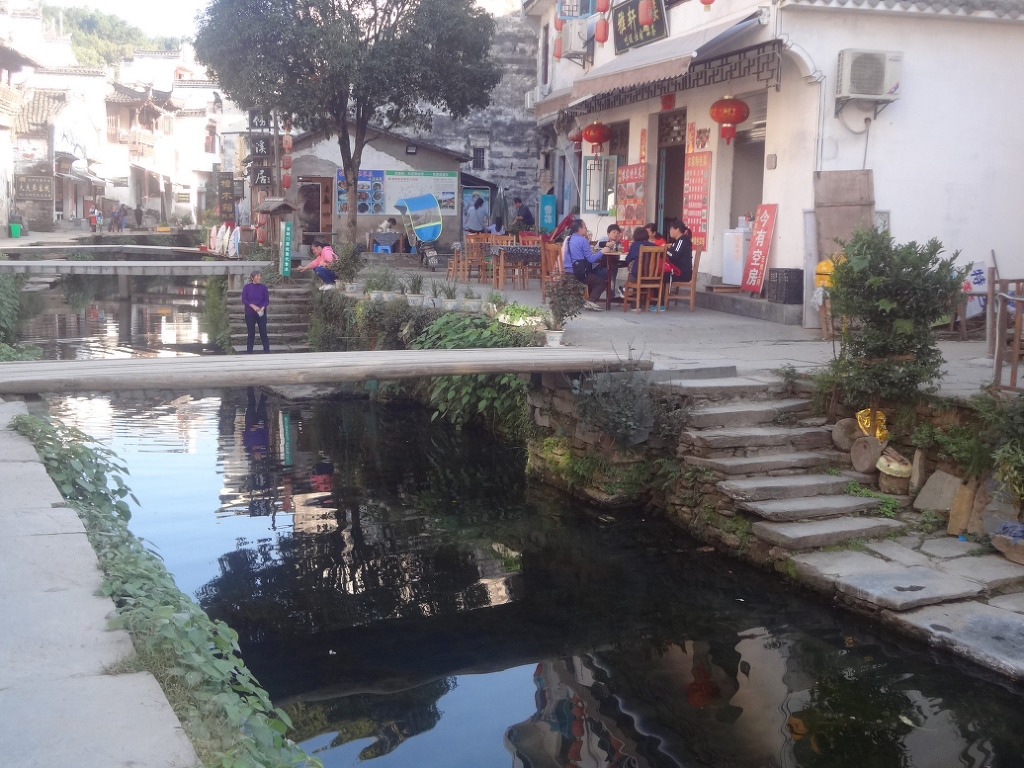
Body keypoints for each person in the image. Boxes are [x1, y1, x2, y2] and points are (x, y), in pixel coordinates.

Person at [561, 218, 606, 310]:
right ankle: (591, 301)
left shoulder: (569, 239)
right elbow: (591, 259)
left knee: (593, 272)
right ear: (579, 229)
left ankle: (590, 299)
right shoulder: (582, 240)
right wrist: (603, 251)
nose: (586, 229)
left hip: (567, 271)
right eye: (585, 227)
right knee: (601, 281)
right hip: (578, 272)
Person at [242, 269, 270, 353]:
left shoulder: (263, 288)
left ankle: (267, 351)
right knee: (251, 333)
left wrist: (262, 308)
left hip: (261, 313)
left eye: (260, 276)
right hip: (250, 313)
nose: (259, 278)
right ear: (252, 278)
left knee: (263, 332)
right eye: (257, 276)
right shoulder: (247, 287)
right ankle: (249, 352)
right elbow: (244, 299)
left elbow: (266, 300)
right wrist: (253, 306)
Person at [665, 219, 694, 284]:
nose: (669, 231)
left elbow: (674, 256)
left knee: (660, 275)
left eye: (671, 229)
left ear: (677, 229)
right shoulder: (680, 241)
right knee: (660, 273)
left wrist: (665, 251)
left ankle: (657, 291)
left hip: (682, 273)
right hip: (679, 272)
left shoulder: (682, 240)